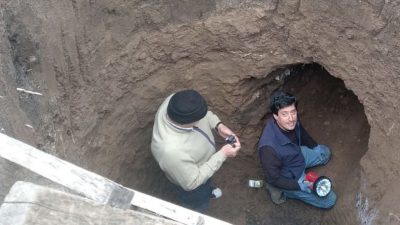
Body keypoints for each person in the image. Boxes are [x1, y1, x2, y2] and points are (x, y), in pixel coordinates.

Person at [151, 89, 241, 212]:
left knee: (206, 181)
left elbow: (205, 115)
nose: (201, 120)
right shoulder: (171, 152)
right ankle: (197, 208)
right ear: (187, 122)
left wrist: (218, 125)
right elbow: (192, 182)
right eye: (198, 119)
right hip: (190, 184)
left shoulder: (175, 102)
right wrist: (222, 154)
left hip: (202, 164)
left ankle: (207, 190)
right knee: (197, 200)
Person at [257, 90, 336, 208]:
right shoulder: (268, 149)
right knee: (329, 200)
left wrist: (315, 146)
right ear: (275, 116)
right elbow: (274, 178)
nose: (291, 118)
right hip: (289, 176)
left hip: (296, 155)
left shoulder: (292, 120)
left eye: (293, 112)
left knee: (325, 153)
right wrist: (298, 186)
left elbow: (301, 132)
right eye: (284, 114)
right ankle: (283, 191)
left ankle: (301, 175)